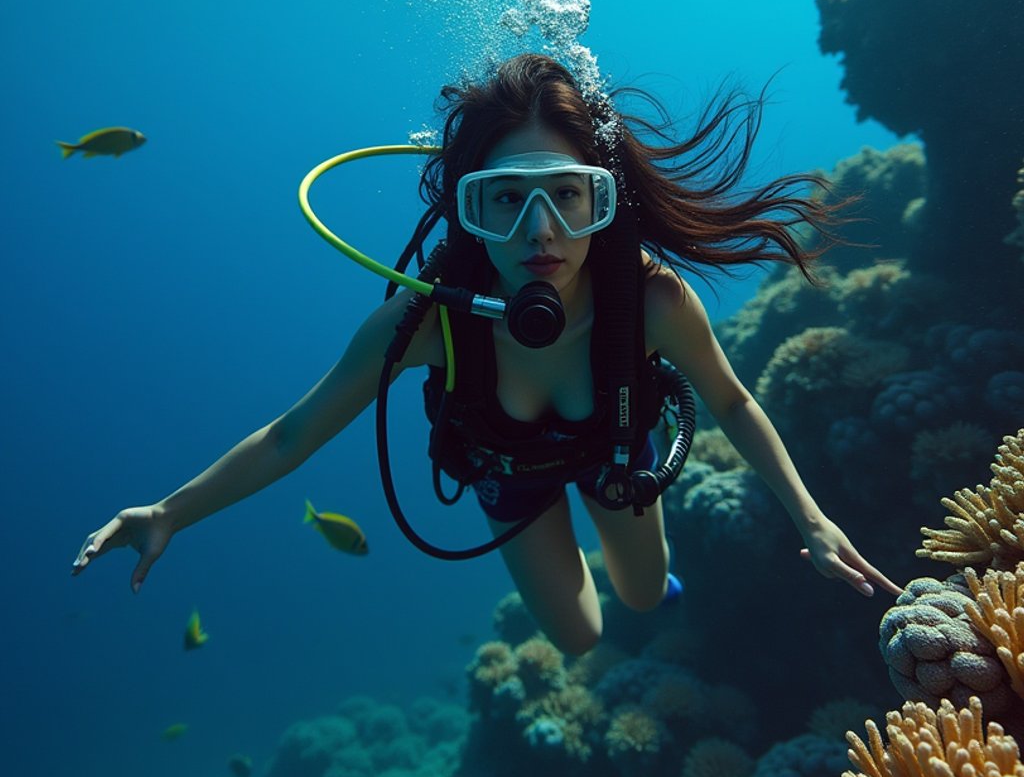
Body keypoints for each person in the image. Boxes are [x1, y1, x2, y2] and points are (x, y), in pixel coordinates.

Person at [73, 52, 902, 654]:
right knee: (580, 639)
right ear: (468, 209)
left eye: (567, 195)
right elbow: (294, 435)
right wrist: (170, 512)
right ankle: (564, 549)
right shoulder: (427, 325)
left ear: (599, 198)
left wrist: (814, 520)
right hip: (509, 481)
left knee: (645, 598)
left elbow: (731, 401)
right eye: (505, 198)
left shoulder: (647, 301)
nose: (539, 232)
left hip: (619, 456)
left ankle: (624, 558)